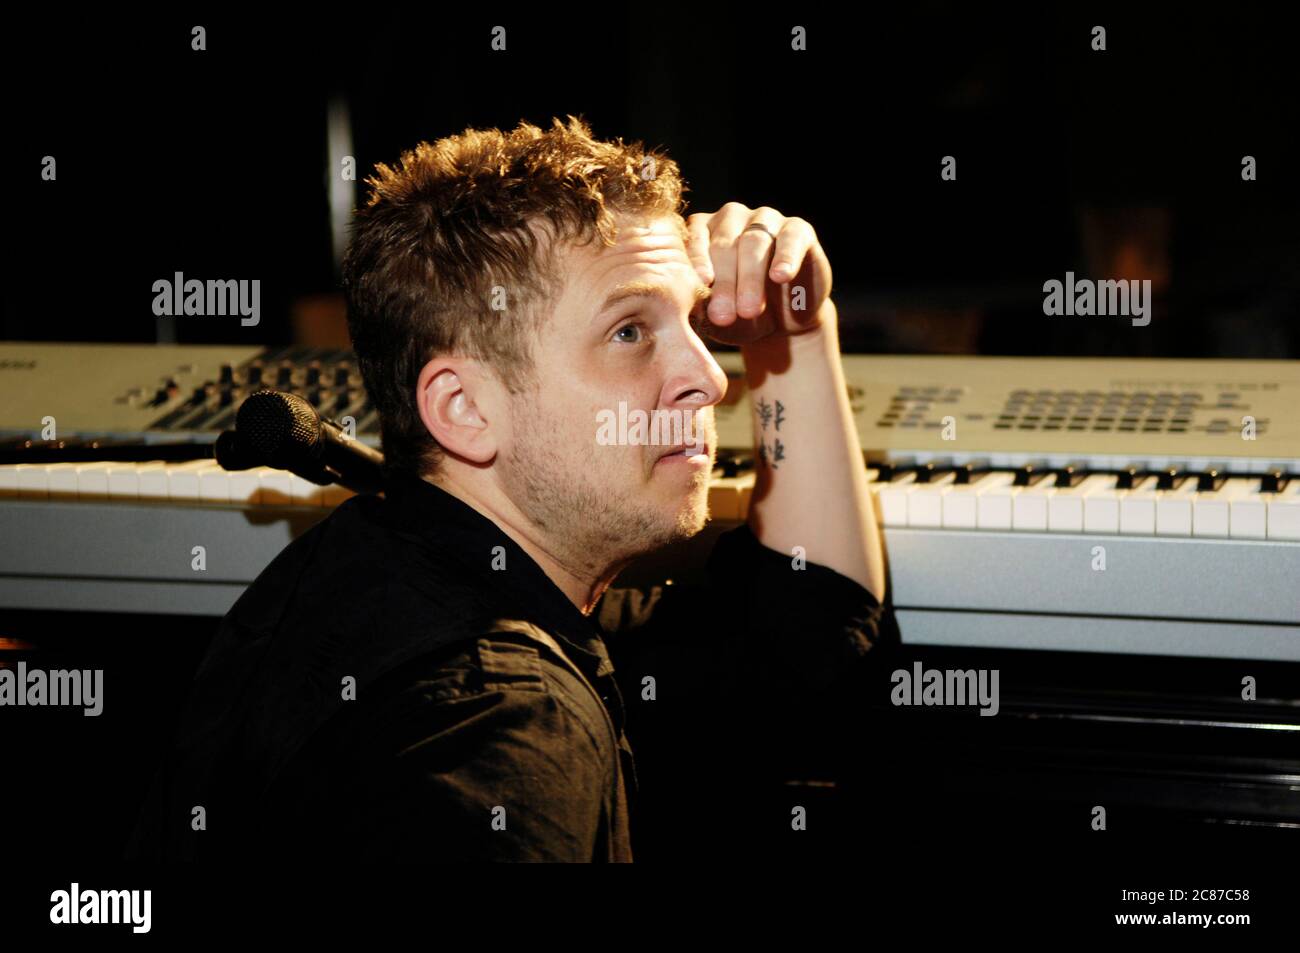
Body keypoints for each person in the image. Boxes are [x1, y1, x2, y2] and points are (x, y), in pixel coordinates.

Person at [125, 115, 895, 863]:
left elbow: (810, 625)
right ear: (464, 409)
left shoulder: (415, 562)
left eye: (694, 321)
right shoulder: (506, 729)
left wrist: (789, 329)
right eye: (629, 332)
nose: (706, 378)